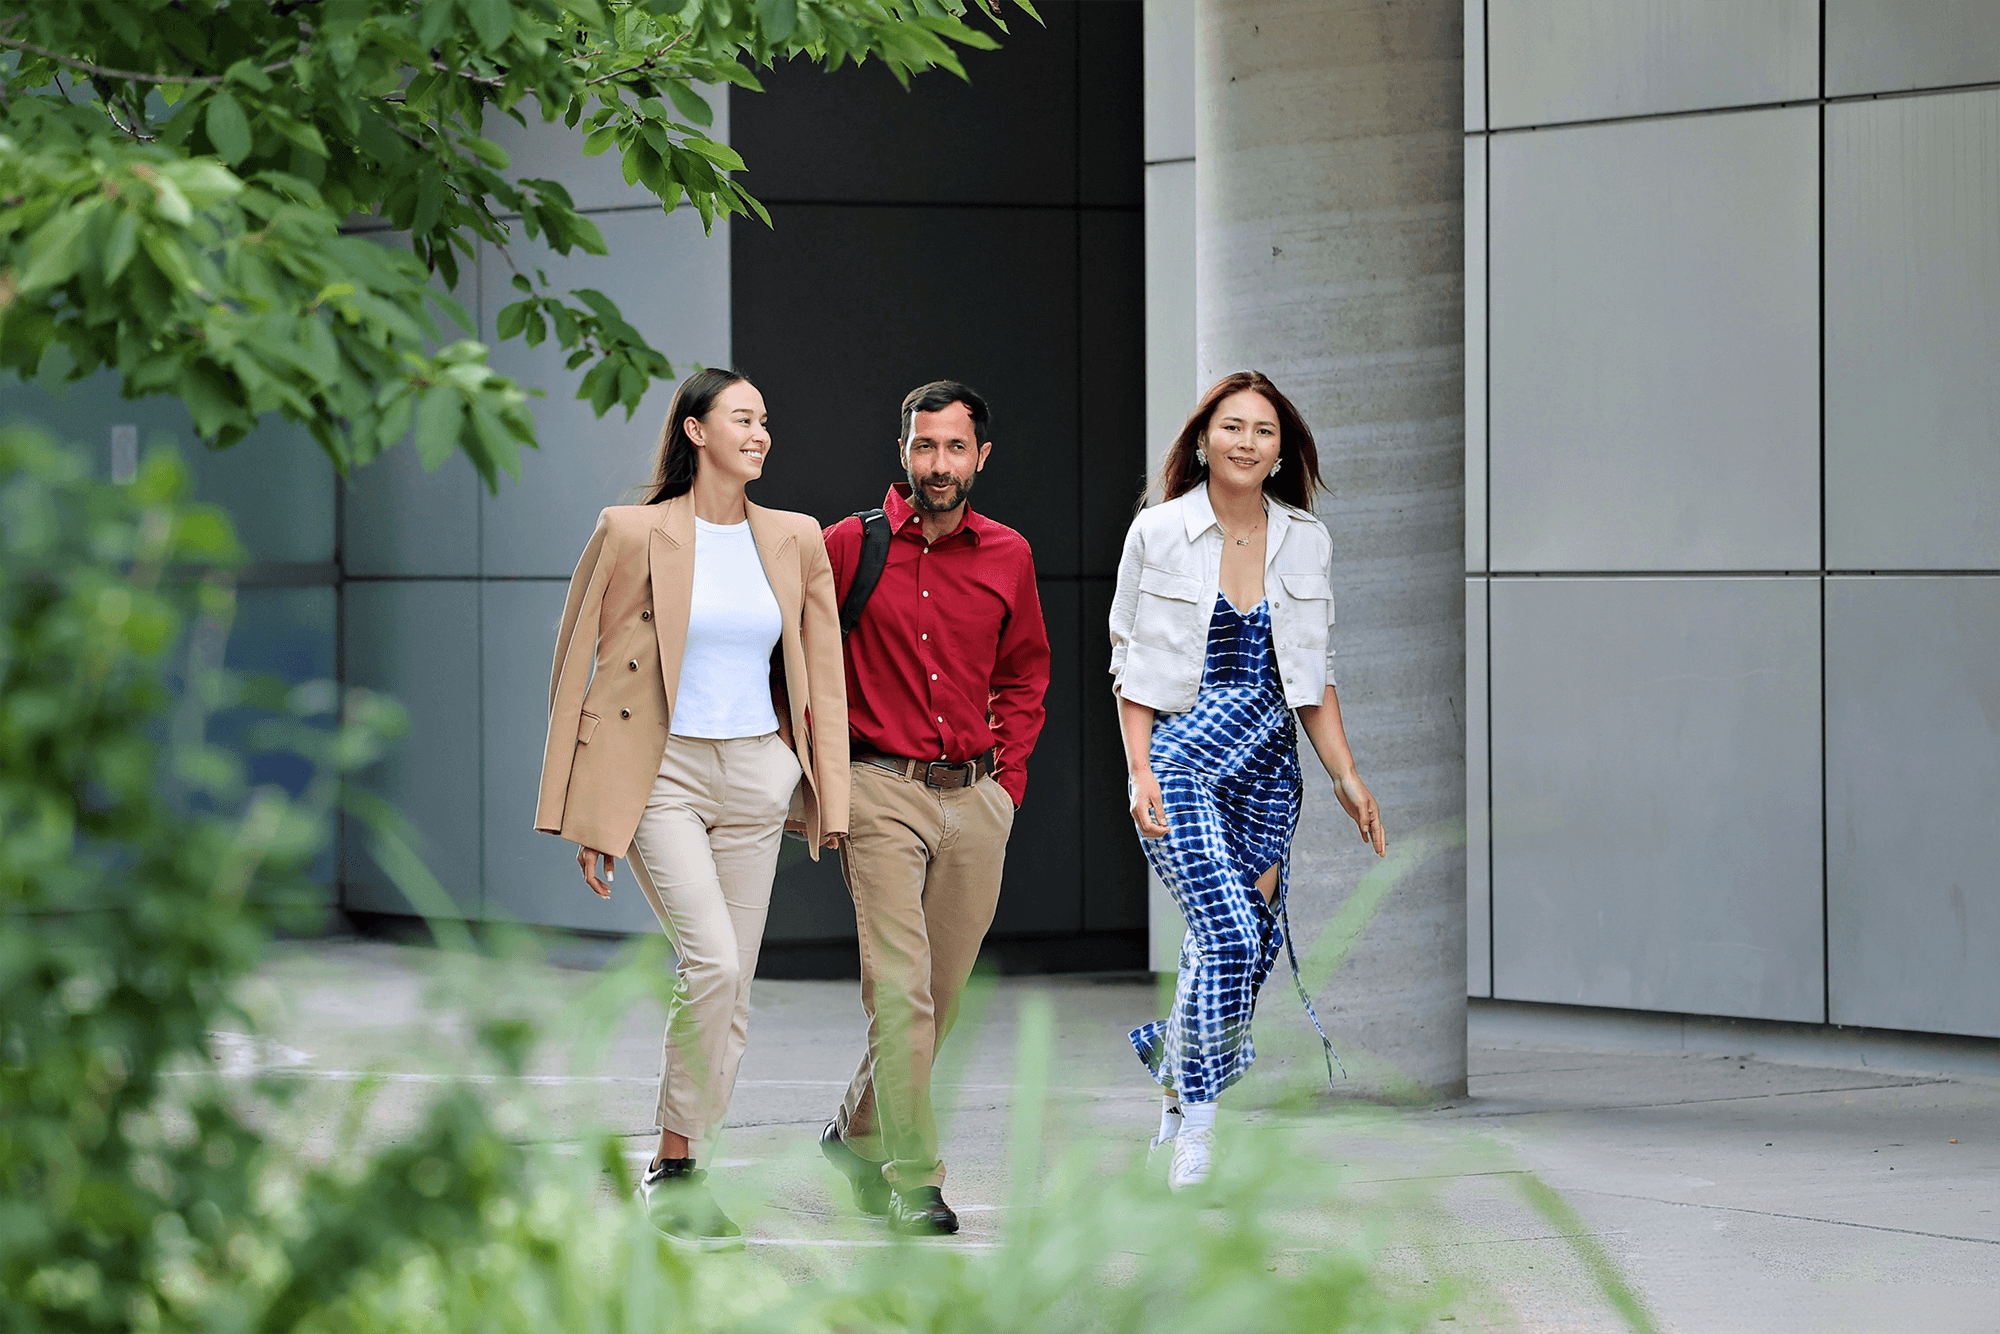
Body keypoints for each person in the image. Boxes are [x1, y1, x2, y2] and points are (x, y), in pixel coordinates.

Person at [534, 368, 849, 1250]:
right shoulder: (631, 531)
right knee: (710, 962)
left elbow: (821, 672)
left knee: (732, 984)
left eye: (766, 420)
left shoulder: (794, 538)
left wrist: (824, 787)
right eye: (744, 418)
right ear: (697, 430)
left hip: (756, 774)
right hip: (661, 775)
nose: (762, 434)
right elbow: (576, 671)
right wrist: (580, 806)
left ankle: (685, 1166)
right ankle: (673, 1168)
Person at [1108, 370, 1387, 1192]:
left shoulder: (1308, 539)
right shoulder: (1157, 532)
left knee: (1237, 949)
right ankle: (1198, 1127)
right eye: (1232, 426)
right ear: (1203, 439)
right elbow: (1128, 664)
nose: (1246, 442)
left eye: (1264, 431)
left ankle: (1173, 1082)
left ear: (1280, 452)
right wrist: (1137, 771)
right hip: (1180, 755)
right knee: (1229, 933)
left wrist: (1346, 773)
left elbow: (1315, 672)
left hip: (1268, 763)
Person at [814, 380, 1051, 1235]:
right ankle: (916, 1177)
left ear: (981, 457)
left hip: (976, 797)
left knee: (939, 995)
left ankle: (854, 1132)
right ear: (903, 450)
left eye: (955, 449)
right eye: (925, 446)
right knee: (900, 992)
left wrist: (1008, 787)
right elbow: (795, 665)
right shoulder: (848, 546)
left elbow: (1026, 672)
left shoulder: (1009, 556)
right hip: (879, 791)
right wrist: (826, 779)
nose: (938, 465)